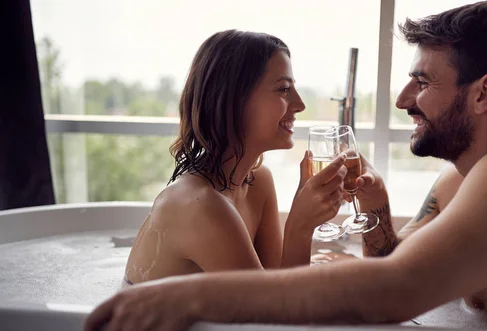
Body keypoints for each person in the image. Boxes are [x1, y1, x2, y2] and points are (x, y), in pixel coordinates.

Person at [84, 1, 487, 331]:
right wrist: (376, 213)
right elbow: (394, 265)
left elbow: (395, 290)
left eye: (422, 81)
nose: (402, 99)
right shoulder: (462, 179)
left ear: (484, 92)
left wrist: (186, 298)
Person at [122, 29, 348, 285]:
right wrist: (301, 225)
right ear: (233, 99)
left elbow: (277, 286)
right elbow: (276, 318)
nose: (299, 104)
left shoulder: (258, 182)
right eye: (283, 89)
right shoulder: (199, 205)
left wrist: (303, 210)